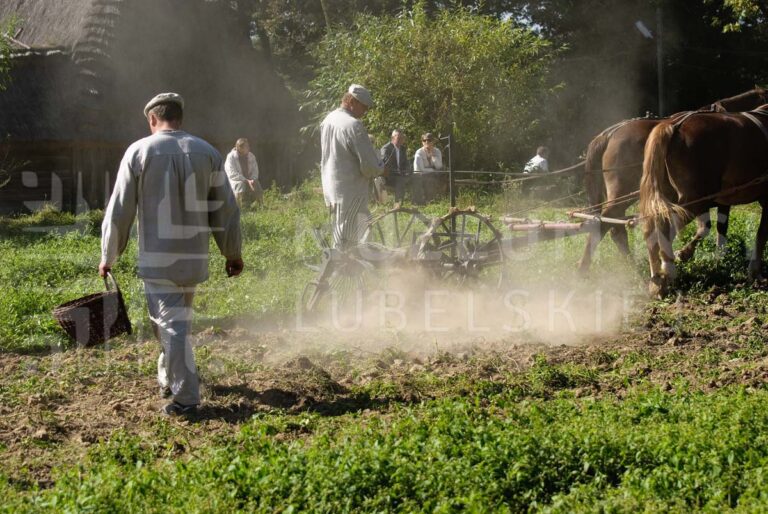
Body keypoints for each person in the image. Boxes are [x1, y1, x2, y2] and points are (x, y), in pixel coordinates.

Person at [99, 92, 243, 417]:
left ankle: (186, 399)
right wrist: (231, 252)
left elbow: (119, 210)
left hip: (158, 258)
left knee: (173, 326)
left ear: (152, 119)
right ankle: (169, 376)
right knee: (170, 323)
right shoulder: (207, 152)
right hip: (194, 258)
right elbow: (226, 210)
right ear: (180, 118)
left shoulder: (139, 151)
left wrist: (108, 254)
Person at [320, 84, 383, 248]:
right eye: (364, 107)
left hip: (332, 185)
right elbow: (369, 166)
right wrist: (382, 168)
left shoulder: (328, 120)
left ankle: (346, 267)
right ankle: (346, 267)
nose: (365, 112)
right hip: (350, 188)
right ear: (352, 102)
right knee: (355, 233)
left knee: (342, 228)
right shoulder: (353, 125)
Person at [224, 138, 263, 208]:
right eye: (247, 146)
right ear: (240, 148)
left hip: (250, 179)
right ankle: (238, 208)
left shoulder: (251, 156)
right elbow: (231, 173)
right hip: (236, 180)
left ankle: (261, 205)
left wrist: (253, 179)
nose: (249, 148)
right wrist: (246, 180)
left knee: (256, 183)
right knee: (240, 185)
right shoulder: (231, 157)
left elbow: (255, 170)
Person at [412, 132, 443, 205]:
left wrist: (432, 156)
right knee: (428, 178)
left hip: (433, 175)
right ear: (422, 142)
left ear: (433, 142)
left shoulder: (437, 151)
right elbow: (420, 170)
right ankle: (422, 201)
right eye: (424, 140)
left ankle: (433, 201)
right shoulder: (419, 153)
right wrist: (432, 170)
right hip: (420, 175)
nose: (427, 142)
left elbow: (439, 166)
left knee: (437, 177)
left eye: (429, 140)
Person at [380, 129, 411, 203]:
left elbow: (406, 163)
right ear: (392, 138)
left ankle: (418, 201)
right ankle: (398, 203)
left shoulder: (403, 149)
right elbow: (387, 165)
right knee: (400, 180)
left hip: (401, 174)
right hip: (389, 176)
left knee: (417, 176)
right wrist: (400, 173)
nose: (401, 140)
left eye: (402, 138)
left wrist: (407, 170)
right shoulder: (386, 148)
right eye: (399, 138)